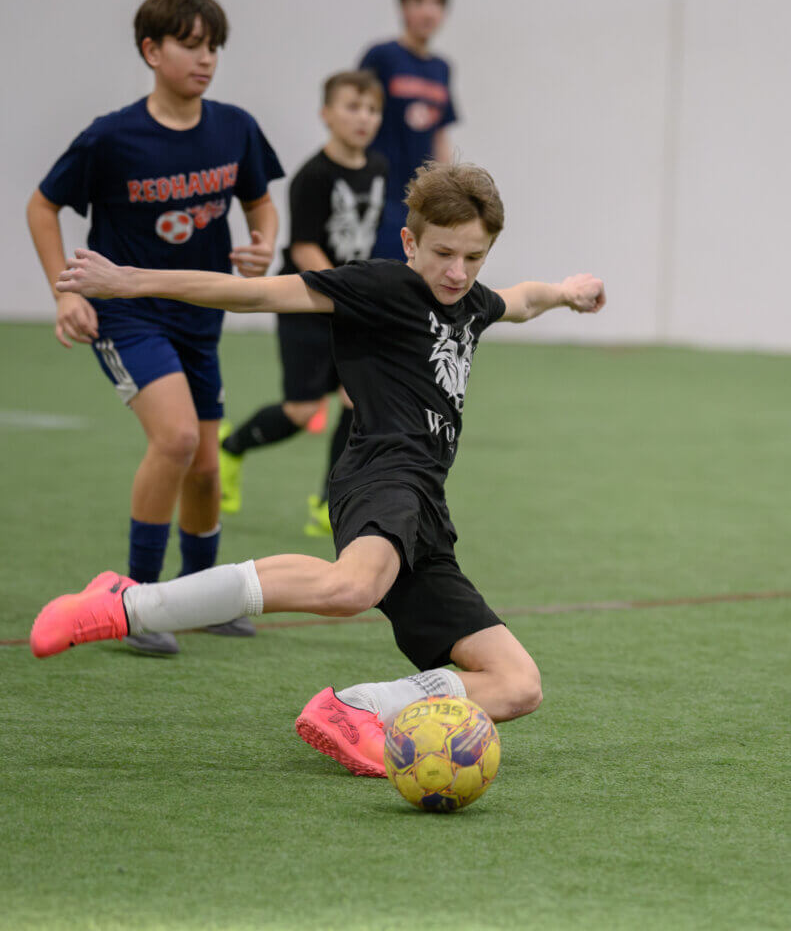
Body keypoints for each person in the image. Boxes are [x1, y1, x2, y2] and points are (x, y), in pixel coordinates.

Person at [31, 162, 605, 779]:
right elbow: (254, 294)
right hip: (381, 474)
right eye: (443, 254)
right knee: (350, 589)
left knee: (517, 683)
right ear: (410, 243)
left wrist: (565, 291)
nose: (457, 272)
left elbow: (521, 300)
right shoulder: (380, 286)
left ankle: (358, 708)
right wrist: (128, 281)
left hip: (427, 515)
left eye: (474, 257)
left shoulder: (471, 301)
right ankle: (130, 604)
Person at [26, 0, 284, 656]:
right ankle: (134, 602)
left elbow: (260, 202)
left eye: (214, 47)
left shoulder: (235, 127)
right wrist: (65, 293)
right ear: (151, 50)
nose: (206, 59)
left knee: (205, 467)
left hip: (200, 314)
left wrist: (263, 244)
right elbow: (41, 206)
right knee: (176, 439)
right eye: (190, 45)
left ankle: (203, 595)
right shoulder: (111, 137)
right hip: (126, 315)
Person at [219, 70, 388, 533]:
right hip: (307, 303)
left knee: (357, 401)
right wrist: (349, 291)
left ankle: (330, 503)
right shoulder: (313, 176)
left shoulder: (379, 167)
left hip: (352, 306)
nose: (364, 118)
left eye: (372, 109)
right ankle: (231, 448)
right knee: (301, 411)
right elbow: (304, 248)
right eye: (352, 107)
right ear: (326, 114)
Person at [359, 0, 457, 260]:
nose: (428, 11)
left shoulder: (442, 68)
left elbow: (439, 133)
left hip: (419, 197)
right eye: (419, 1)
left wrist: (450, 190)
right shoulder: (382, 56)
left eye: (436, 3)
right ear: (403, 7)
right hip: (379, 192)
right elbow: (355, 114)